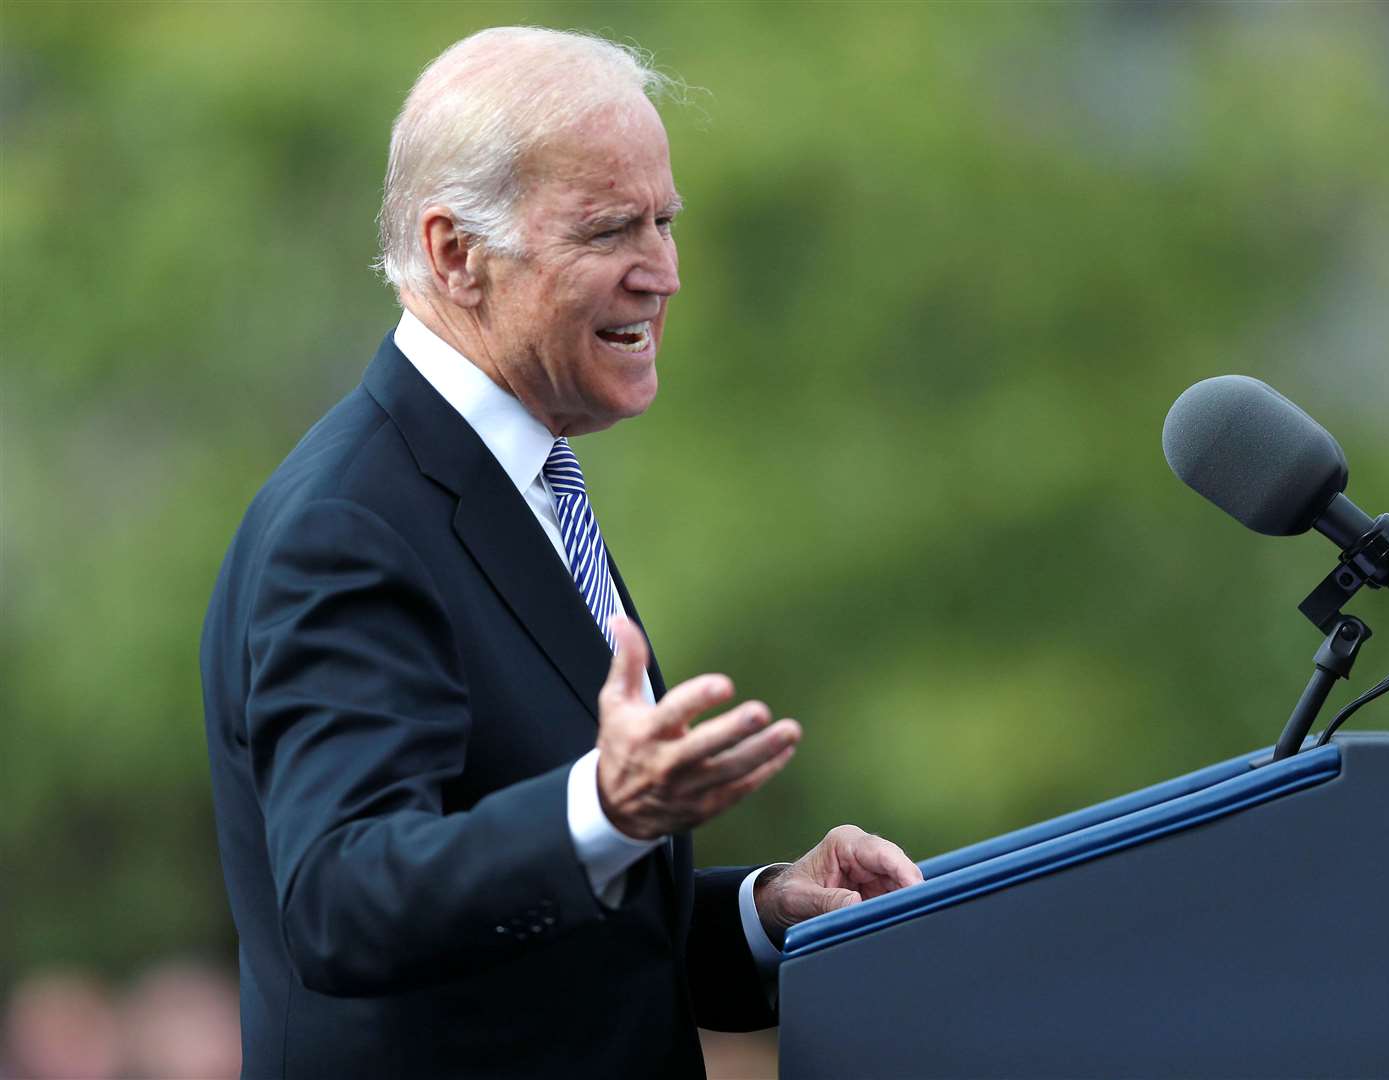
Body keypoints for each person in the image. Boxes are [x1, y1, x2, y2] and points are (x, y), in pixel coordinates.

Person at [200, 26, 922, 1079]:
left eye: (666, 222)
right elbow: (343, 901)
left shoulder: (523, 479)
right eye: (610, 230)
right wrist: (604, 808)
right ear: (455, 254)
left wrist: (766, 913)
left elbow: (572, 946)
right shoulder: (348, 525)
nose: (664, 274)